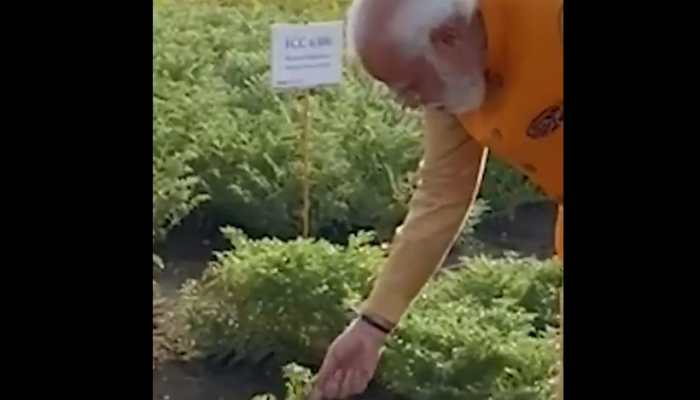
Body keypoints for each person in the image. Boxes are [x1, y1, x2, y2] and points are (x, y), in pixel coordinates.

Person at [310, 0, 563, 399]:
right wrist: (373, 324)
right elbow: (443, 193)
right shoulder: (452, 75)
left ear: (448, 38)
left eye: (409, 85)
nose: (407, 103)